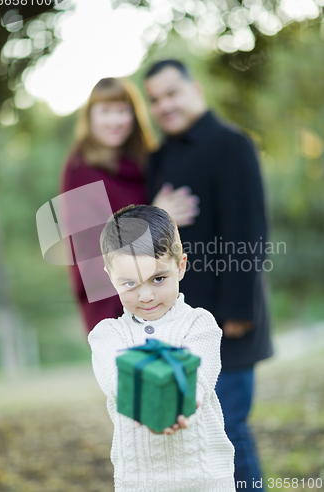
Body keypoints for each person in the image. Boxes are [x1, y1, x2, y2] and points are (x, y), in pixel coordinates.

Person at [144, 59, 273, 491]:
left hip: (227, 319)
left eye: (171, 93)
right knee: (194, 438)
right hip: (180, 324)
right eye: (155, 100)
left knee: (229, 432)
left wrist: (238, 309)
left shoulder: (231, 144)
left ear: (195, 89)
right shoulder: (160, 158)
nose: (164, 106)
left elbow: (248, 230)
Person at [88, 204, 236, 492]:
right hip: (140, 483)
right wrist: (149, 408)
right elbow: (117, 381)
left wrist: (178, 404)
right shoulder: (108, 335)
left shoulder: (199, 324)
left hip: (206, 479)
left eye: (158, 278)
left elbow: (200, 377)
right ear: (110, 277)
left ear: (179, 266)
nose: (146, 295)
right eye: (129, 283)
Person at [60, 77, 199, 333]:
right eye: (105, 111)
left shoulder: (144, 160)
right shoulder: (81, 169)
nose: (115, 121)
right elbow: (90, 247)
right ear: (90, 117)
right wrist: (157, 216)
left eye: (122, 111)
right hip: (115, 300)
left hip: (158, 291)